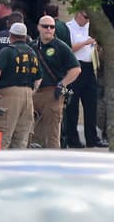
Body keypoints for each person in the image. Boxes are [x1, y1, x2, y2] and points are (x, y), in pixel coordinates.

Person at [0, 22, 40, 149]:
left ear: (11, 35)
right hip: (28, 97)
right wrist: (31, 92)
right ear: (25, 37)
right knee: (21, 136)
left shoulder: (7, 51)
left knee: (0, 131)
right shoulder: (32, 53)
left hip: (8, 95)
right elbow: (39, 78)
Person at [32, 14, 81, 149]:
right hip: (34, 93)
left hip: (52, 93)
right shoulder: (32, 46)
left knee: (52, 133)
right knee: (31, 133)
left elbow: (76, 69)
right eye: (45, 26)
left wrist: (62, 84)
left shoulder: (61, 47)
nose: (49, 29)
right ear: (38, 28)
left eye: (52, 27)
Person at [63, 10, 105, 148]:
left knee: (91, 104)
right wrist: (85, 43)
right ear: (78, 14)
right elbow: (68, 48)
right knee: (73, 105)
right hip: (75, 66)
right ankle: (72, 139)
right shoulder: (68, 27)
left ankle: (92, 138)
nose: (87, 20)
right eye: (85, 17)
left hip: (89, 66)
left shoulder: (90, 27)